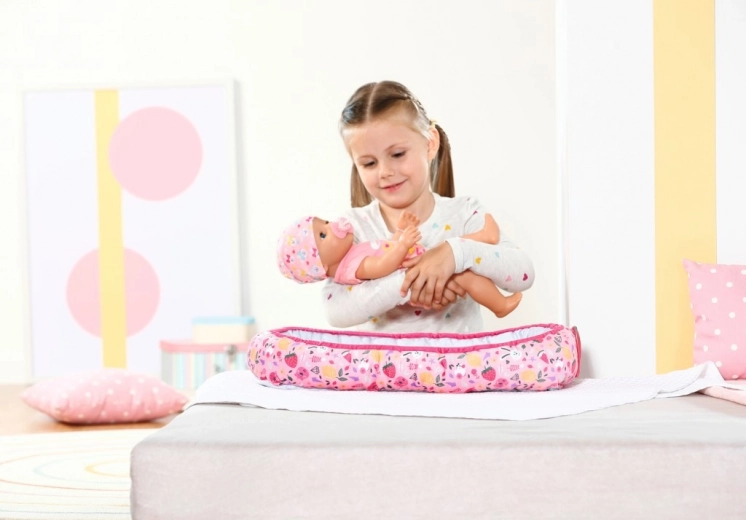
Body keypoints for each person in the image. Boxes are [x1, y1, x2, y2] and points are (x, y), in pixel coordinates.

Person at [322, 80, 534, 333]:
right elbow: (335, 311)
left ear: (430, 143)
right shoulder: (352, 229)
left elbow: (523, 274)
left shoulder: (465, 213)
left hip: (462, 359)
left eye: (398, 154)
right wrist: (411, 282)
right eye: (369, 163)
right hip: (385, 361)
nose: (385, 171)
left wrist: (454, 253)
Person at [277, 210, 523, 318]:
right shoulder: (350, 268)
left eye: (325, 222)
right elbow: (382, 267)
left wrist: (400, 232)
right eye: (323, 234)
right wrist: (403, 244)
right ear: (320, 266)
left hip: (419, 262)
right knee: (466, 276)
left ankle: (484, 237)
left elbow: (385, 249)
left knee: (452, 250)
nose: (332, 226)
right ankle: (499, 305)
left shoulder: (352, 253)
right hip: (418, 272)